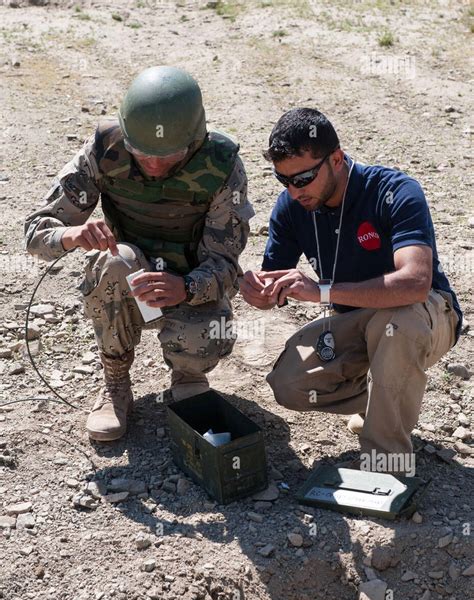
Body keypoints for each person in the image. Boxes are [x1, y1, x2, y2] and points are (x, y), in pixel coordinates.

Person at [25, 66, 254, 441]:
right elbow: (36, 231)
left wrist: (187, 287)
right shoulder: (106, 148)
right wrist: (72, 234)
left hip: (189, 288)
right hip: (129, 283)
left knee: (205, 337)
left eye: (169, 155)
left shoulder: (221, 166)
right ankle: (116, 384)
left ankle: (188, 377)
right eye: (140, 152)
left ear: (195, 140)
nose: (153, 164)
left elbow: (227, 265)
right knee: (114, 263)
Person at [240, 108, 462, 473]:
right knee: (289, 384)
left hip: (426, 314)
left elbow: (416, 282)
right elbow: (274, 279)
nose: (295, 191)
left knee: (395, 324)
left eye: (304, 178)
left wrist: (322, 291)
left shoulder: (392, 191)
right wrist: (262, 295)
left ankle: (387, 463)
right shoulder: (292, 206)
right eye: (284, 181)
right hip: (358, 320)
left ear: (337, 159)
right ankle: (381, 407)